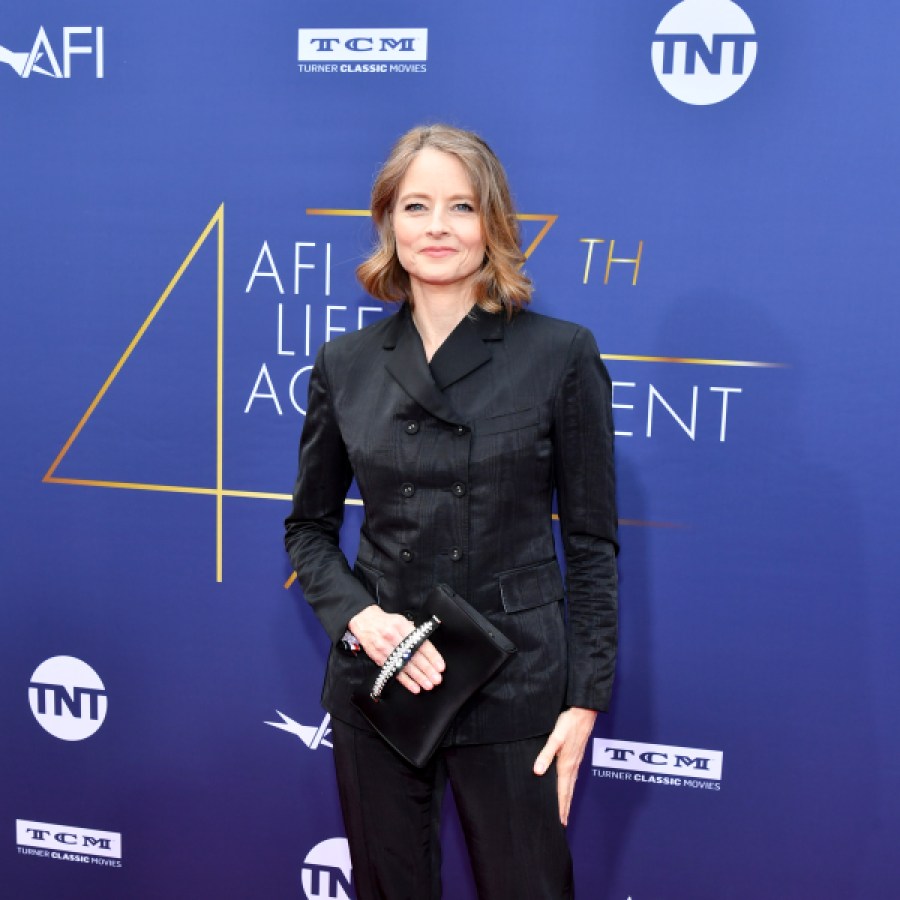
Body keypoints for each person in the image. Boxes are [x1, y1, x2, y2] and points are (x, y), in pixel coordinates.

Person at [285, 123, 618, 899]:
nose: (437, 227)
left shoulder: (559, 353)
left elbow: (594, 546)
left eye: (461, 207)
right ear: (388, 223)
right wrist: (361, 620)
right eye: (416, 206)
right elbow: (308, 527)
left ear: (493, 225)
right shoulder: (346, 362)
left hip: (514, 681)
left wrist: (584, 698)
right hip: (383, 678)